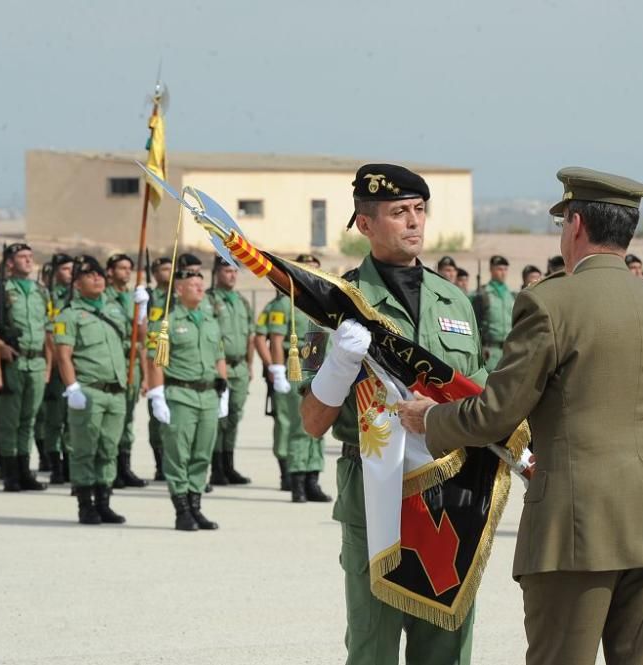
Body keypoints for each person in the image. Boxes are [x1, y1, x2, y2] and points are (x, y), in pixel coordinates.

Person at [399, 166, 643, 665]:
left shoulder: (548, 303)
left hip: (576, 526)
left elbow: (496, 414)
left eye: (563, 222)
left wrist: (432, 419)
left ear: (576, 224)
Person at [300, 163, 484, 665]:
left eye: (419, 210)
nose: (413, 222)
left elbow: (483, 398)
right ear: (365, 224)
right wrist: (336, 367)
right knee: (373, 643)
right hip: (374, 493)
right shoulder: (336, 305)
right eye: (399, 212)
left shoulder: (456, 303)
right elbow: (312, 421)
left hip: (450, 490)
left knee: (445, 643)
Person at [146, 267, 229, 531]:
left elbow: (219, 357)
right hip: (180, 394)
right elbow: (155, 361)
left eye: (201, 284)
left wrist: (223, 390)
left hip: (208, 395)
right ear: (179, 289)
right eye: (193, 284)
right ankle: (182, 510)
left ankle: (196, 506)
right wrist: (156, 394)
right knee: (178, 455)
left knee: (202, 454)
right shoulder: (166, 322)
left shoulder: (210, 320)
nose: (200, 289)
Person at [53, 256, 130, 525]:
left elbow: (136, 342)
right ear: (76, 283)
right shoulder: (69, 315)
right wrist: (72, 387)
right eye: (89, 275)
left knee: (109, 448)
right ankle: (86, 504)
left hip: (115, 391)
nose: (97, 278)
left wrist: (142, 310)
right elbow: (63, 355)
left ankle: (104, 502)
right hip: (89, 390)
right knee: (85, 449)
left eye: (99, 274)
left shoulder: (115, 310)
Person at [255, 253, 332, 503]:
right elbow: (275, 339)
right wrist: (276, 370)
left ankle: (313, 478)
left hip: (318, 364)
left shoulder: (324, 303)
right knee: (300, 425)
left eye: (316, 269)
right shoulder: (286, 303)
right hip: (296, 366)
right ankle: (297, 479)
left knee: (320, 422)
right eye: (307, 269)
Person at [0, 242, 52, 492]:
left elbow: (47, 328)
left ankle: (25, 470)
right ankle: (10, 471)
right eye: (22, 257)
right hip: (12, 361)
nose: (28, 260)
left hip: (35, 361)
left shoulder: (39, 291)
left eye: (30, 256)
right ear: (10, 263)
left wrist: (47, 365)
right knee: (9, 420)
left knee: (29, 419)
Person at [207, 256, 255, 486]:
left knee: (234, 417)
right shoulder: (209, 300)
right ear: (216, 272)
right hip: (220, 367)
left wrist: (250, 365)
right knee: (219, 419)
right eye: (227, 271)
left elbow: (250, 335)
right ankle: (216, 467)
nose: (232, 275)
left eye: (235, 271)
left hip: (240, 368)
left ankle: (229, 464)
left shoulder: (242, 301)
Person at [104, 253, 150, 489]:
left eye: (129, 268)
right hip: (113, 365)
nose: (126, 272)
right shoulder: (104, 298)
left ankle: (124, 466)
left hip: (131, 366)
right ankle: (109, 469)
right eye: (121, 268)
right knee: (113, 420)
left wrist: (142, 310)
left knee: (128, 420)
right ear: (110, 271)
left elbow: (141, 339)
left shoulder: (133, 298)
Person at [36, 253, 73, 479]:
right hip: (52, 363)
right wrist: (49, 366)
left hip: (72, 363)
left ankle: (69, 461)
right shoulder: (45, 296)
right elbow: (46, 332)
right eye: (65, 269)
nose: (69, 273)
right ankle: (53, 462)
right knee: (53, 418)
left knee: (71, 418)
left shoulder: (76, 296)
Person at [146, 256, 172, 480]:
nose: (169, 272)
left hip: (176, 361)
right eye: (164, 269)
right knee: (156, 418)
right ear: (154, 273)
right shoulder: (149, 297)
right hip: (152, 360)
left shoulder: (178, 295)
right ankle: (159, 463)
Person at [473, 255, 515, 372]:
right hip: (489, 352)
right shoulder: (483, 295)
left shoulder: (511, 295)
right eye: (499, 269)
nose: (503, 273)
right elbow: (475, 324)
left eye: (505, 269)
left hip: (508, 352)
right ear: (491, 270)